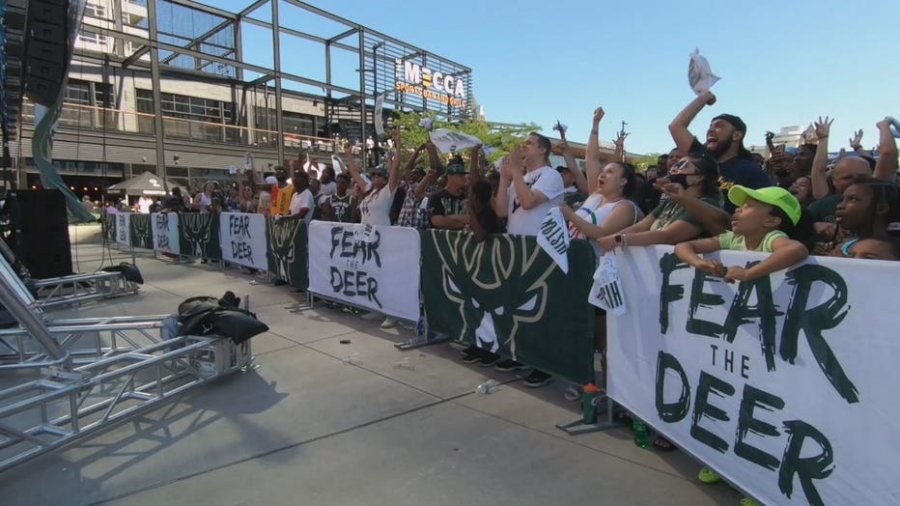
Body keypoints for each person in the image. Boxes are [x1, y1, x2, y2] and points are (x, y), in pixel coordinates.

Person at [492, 133, 565, 388]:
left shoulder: (550, 176)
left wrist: (514, 171)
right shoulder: (518, 179)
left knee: (540, 309)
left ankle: (544, 363)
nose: (523, 146)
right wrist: (504, 179)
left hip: (540, 249)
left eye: (529, 143)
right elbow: (501, 211)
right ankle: (522, 354)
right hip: (517, 249)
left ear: (543, 150)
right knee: (518, 306)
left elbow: (529, 201)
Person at [675, 186, 810, 283]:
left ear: (771, 221)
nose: (738, 209)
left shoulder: (772, 237)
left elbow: (797, 249)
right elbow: (682, 246)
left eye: (748, 206)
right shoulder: (734, 239)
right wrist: (698, 263)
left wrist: (748, 273)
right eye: (741, 205)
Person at [668, 91, 771, 213]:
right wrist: (704, 97)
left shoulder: (751, 171)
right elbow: (676, 126)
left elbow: (766, 209)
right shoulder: (701, 159)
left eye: (719, 126)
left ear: (737, 135)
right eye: (709, 126)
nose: (710, 130)